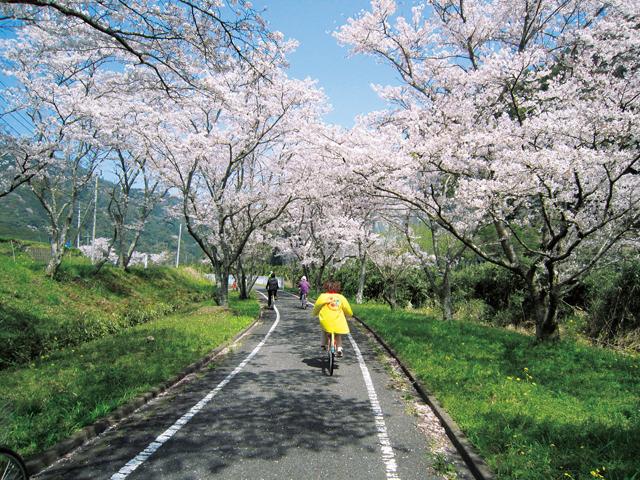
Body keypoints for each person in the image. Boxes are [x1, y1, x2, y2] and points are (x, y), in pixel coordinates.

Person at [313, 280, 352, 357]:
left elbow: (317, 307)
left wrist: (315, 313)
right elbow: (347, 309)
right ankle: (339, 349)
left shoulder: (322, 296)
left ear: (326, 287)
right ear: (338, 288)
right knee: (338, 335)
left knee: (324, 330)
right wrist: (349, 314)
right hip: (337, 321)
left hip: (326, 320)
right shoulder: (341, 297)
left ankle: (323, 344)